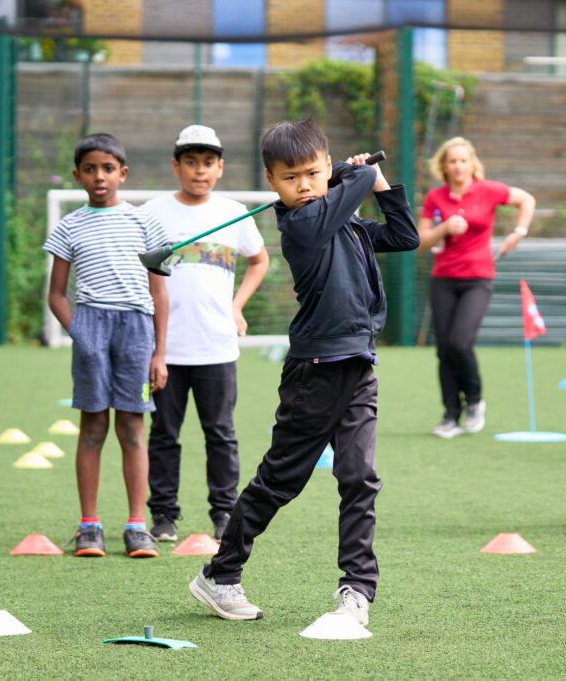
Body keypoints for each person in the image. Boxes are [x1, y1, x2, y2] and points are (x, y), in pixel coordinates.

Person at [188, 120, 419, 623]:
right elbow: (330, 205)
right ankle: (220, 574)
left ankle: (356, 588)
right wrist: (350, 174)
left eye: (314, 173)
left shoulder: (347, 224)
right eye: (291, 177)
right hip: (314, 373)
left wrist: (377, 182)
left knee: (360, 478)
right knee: (279, 482)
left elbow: (404, 236)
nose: (306, 185)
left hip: (357, 365)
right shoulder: (301, 227)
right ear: (272, 181)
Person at [44, 133, 170, 558]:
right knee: (93, 427)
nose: (100, 177)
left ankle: (137, 526)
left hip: (136, 332)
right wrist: (79, 332)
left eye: (109, 169)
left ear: (123, 174)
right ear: (78, 175)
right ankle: (89, 526)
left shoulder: (144, 223)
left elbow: (159, 294)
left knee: (133, 428)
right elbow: (57, 295)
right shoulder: (69, 226)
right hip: (91, 326)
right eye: (91, 169)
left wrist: (158, 353)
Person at [142, 125, 269, 544]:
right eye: (191, 162)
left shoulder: (233, 212)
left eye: (209, 162)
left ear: (220, 168)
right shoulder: (151, 213)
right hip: (166, 349)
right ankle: (162, 515)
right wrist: (152, 344)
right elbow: (140, 273)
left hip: (216, 345)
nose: (200, 171)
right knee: (163, 433)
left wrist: (235, 306)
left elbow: (259, 261)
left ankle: (224, 511)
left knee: (220, 432)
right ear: (176, 166)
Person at [417, 137, 536, 438]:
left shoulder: (489, 191)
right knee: (444, 350)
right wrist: (444, 228)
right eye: (452, 161)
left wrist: (518, 232)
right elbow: (421, 241)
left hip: (478, 279)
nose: (458, 166)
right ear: (443, 166)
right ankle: (449, 416)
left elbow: (527, 200)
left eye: (463, 160)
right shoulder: (435, 198)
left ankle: (474, 399)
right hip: (443, 279)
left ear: (473, 164)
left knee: (460, 342)